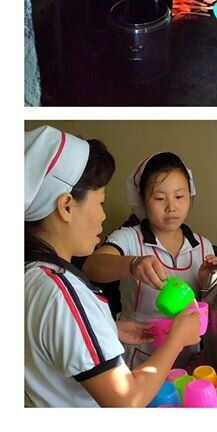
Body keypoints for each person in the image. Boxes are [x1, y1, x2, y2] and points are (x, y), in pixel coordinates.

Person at [25, 126, 201, 407]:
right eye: (101, 202)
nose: (104, 216)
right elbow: (126, 403)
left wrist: (107, 328)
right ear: (67, 206)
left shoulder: (29, 275)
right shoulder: (63, 292)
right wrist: (177, 338)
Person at [83, 152, 217, 370]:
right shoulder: (128, 238)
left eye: (179, 196)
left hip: (189, 357)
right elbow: (92, 267)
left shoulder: (203, 246)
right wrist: (132, 264)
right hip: (140, 355)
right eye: (159, 198)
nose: (171, 207)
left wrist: (206, 284)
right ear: (142, 200)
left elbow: (206, 309)